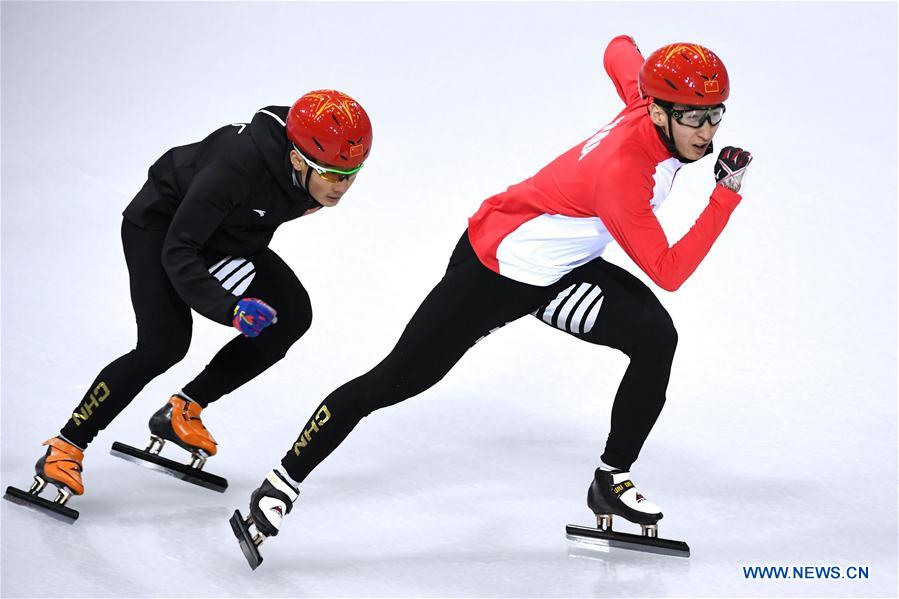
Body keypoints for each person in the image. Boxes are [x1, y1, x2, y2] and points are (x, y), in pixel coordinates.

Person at [234, 36, 753, 561]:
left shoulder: (647, 103)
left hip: (560, 272)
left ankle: (611, 480)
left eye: (715, 115)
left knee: (656, 338)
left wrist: (649, 70)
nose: (706, 132)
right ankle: (280, 483)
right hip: (493, 270)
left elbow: (619, 51)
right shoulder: (624, 175)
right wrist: (725, 194)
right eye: (693, 117)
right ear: (661, 112)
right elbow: (668, 271)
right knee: (393, 380)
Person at [6, 90, 373, 515]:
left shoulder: (311, 178)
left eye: (352, 174)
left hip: (227, 235)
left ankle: (182, 410)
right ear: (295, 160)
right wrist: (228, 307)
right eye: (331, 174)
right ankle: (66, 445)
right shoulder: (234, 170)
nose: (342, 187)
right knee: (163, 345)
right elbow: (180, 251)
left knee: (291, 317)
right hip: (162, 228)